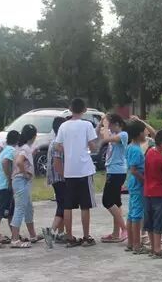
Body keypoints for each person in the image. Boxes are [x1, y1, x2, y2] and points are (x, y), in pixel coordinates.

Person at [54, 98, 98, 248]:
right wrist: (90, 148)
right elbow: (93, 146)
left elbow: (57, 145)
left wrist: (68, 150)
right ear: (84, 110)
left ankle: (69, 236)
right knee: (85, 205)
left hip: (69, 171)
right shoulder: (87, 125)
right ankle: (86, 237)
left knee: (68, 206)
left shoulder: (63, 126)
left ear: (70, 109)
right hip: (84, 169)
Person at [97, 114, 129, 243]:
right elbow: (97, 135)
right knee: (116, 202)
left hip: (117, 172)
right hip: (113, 171)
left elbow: (105, 139)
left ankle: (124, 229)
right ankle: (116, 234)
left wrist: (105, 125)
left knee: (107, 201)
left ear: (117, 124)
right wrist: (101, 123)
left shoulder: (123, 135)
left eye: (110, 125)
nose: (108, 127)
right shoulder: (112, 133)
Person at [144, 130, 162, 258]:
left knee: (149, 220)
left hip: (148, 191)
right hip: (159, 192)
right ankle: (157, 249)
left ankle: (152, 247)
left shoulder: (149, 152)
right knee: (158, 221)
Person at [10, 124, 39, 248]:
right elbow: (19, 161)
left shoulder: (20, 147)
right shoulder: (25, 148)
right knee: (20, 208)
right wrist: (25, 173)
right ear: (33, 136)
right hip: (21, 180)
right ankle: (15, 239)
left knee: (28, 208)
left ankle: (33, 235)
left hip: (18, 181)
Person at [42, 117, 67, 248]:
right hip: (60, 178)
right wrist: (65, 177)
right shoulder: (59, 143)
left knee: (60, 204)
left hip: (54, 178)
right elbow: (57, 164)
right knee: (64, 206)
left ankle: (61, 233)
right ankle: (51, 231)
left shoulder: (53, 141)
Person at [125, 120, 148, 254]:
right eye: (144, 131)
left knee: (132, 213)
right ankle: (136, 245)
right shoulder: (135, 149)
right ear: (139, 133)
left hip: (133, 182)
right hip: (137, 183)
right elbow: (134, 170)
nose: (146, 134)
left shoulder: (131, 146)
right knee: (137, 214)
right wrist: (144, 181)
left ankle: (130, 243)